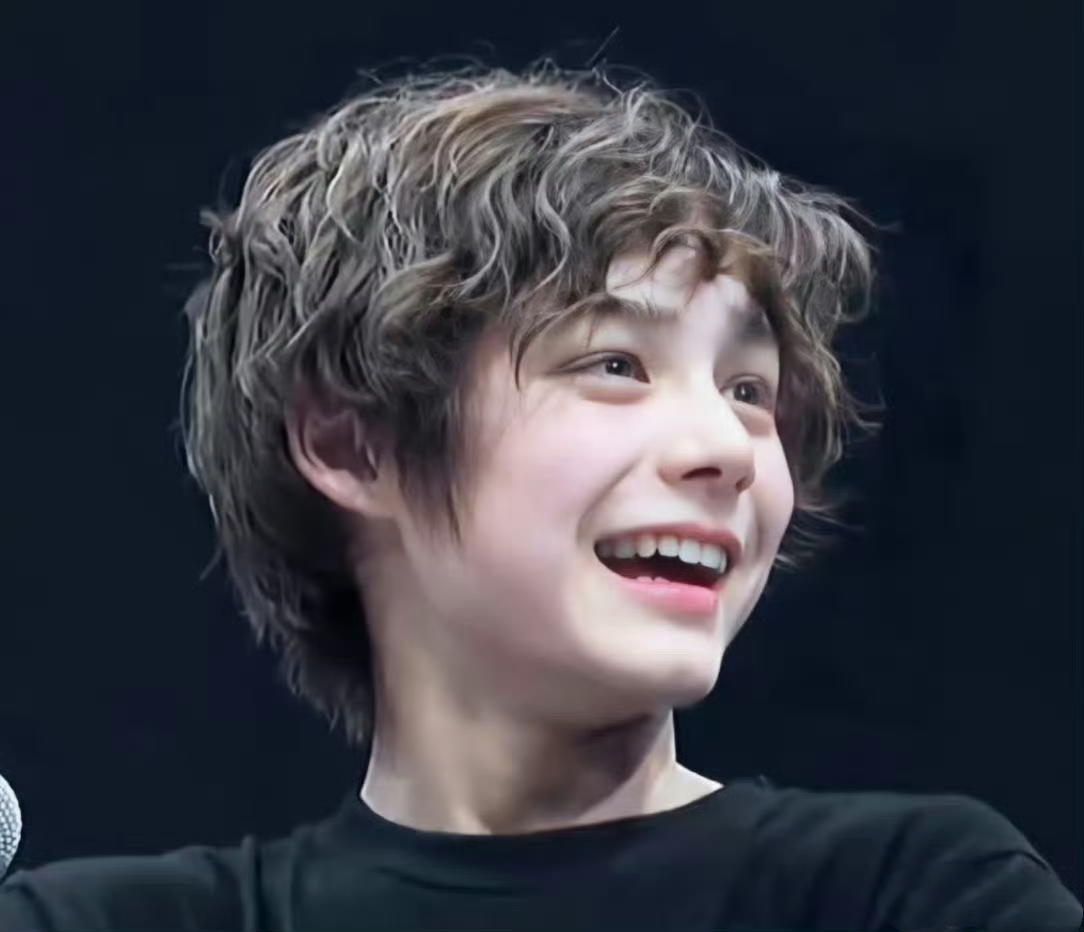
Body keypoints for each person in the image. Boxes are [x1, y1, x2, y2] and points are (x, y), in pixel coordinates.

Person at [0, 63, 1079, 932]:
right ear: (351, 441)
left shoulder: (911, 895)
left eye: (749, 390)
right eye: (615, 364)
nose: (727, 448)